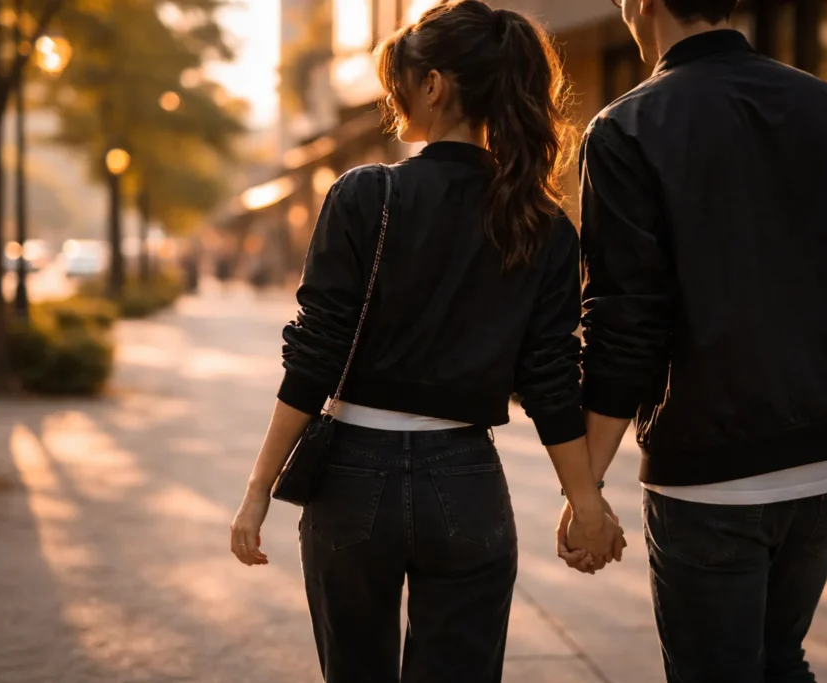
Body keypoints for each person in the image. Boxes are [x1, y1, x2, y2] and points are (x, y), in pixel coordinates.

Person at [229, 2, 624, 682]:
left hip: (350, 480)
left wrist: (260, 486)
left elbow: (314, 353)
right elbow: (551, 378)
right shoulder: (543, 225)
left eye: (400, 81)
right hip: (465, 482)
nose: (392, 98)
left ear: (435, 85)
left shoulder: (363, 195)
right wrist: (584, 499)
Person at [560, 1, 827, 681]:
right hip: (825, 465)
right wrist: (826, 395)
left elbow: (626, 325)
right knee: (781, 660)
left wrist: (586, 487)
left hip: (709, 479)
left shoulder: (625, 127)